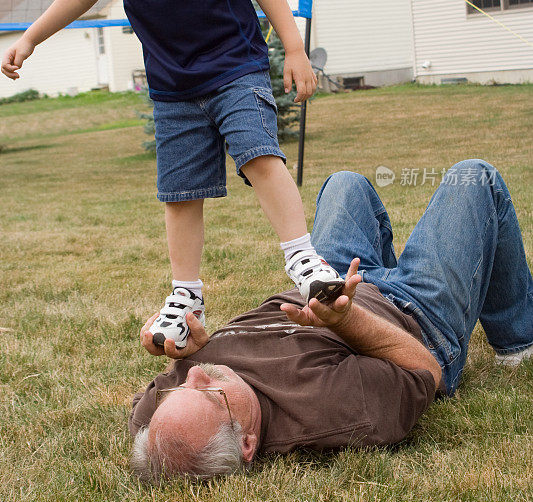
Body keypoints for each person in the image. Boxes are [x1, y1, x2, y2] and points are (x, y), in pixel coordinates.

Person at [0, 0, 344, 347]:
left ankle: (302, 258)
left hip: (235, 70)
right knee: (179, 193)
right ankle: (185, 293)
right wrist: (29, 38)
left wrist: (294, 48)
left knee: (258, 154)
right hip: (174, 90)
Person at [129, 159, 533, 482]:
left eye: (181, 387)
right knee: (474, 178)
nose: (197, 375)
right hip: (412, 312)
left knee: (343, 183)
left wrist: (177, 352)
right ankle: (518, 340)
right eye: (211, 393)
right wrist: (344, 319)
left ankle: (377, 269)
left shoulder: (166, 426)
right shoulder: (329, 411)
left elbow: (153, 406)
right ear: (248, 443)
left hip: (328, 283)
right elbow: (424, 369)